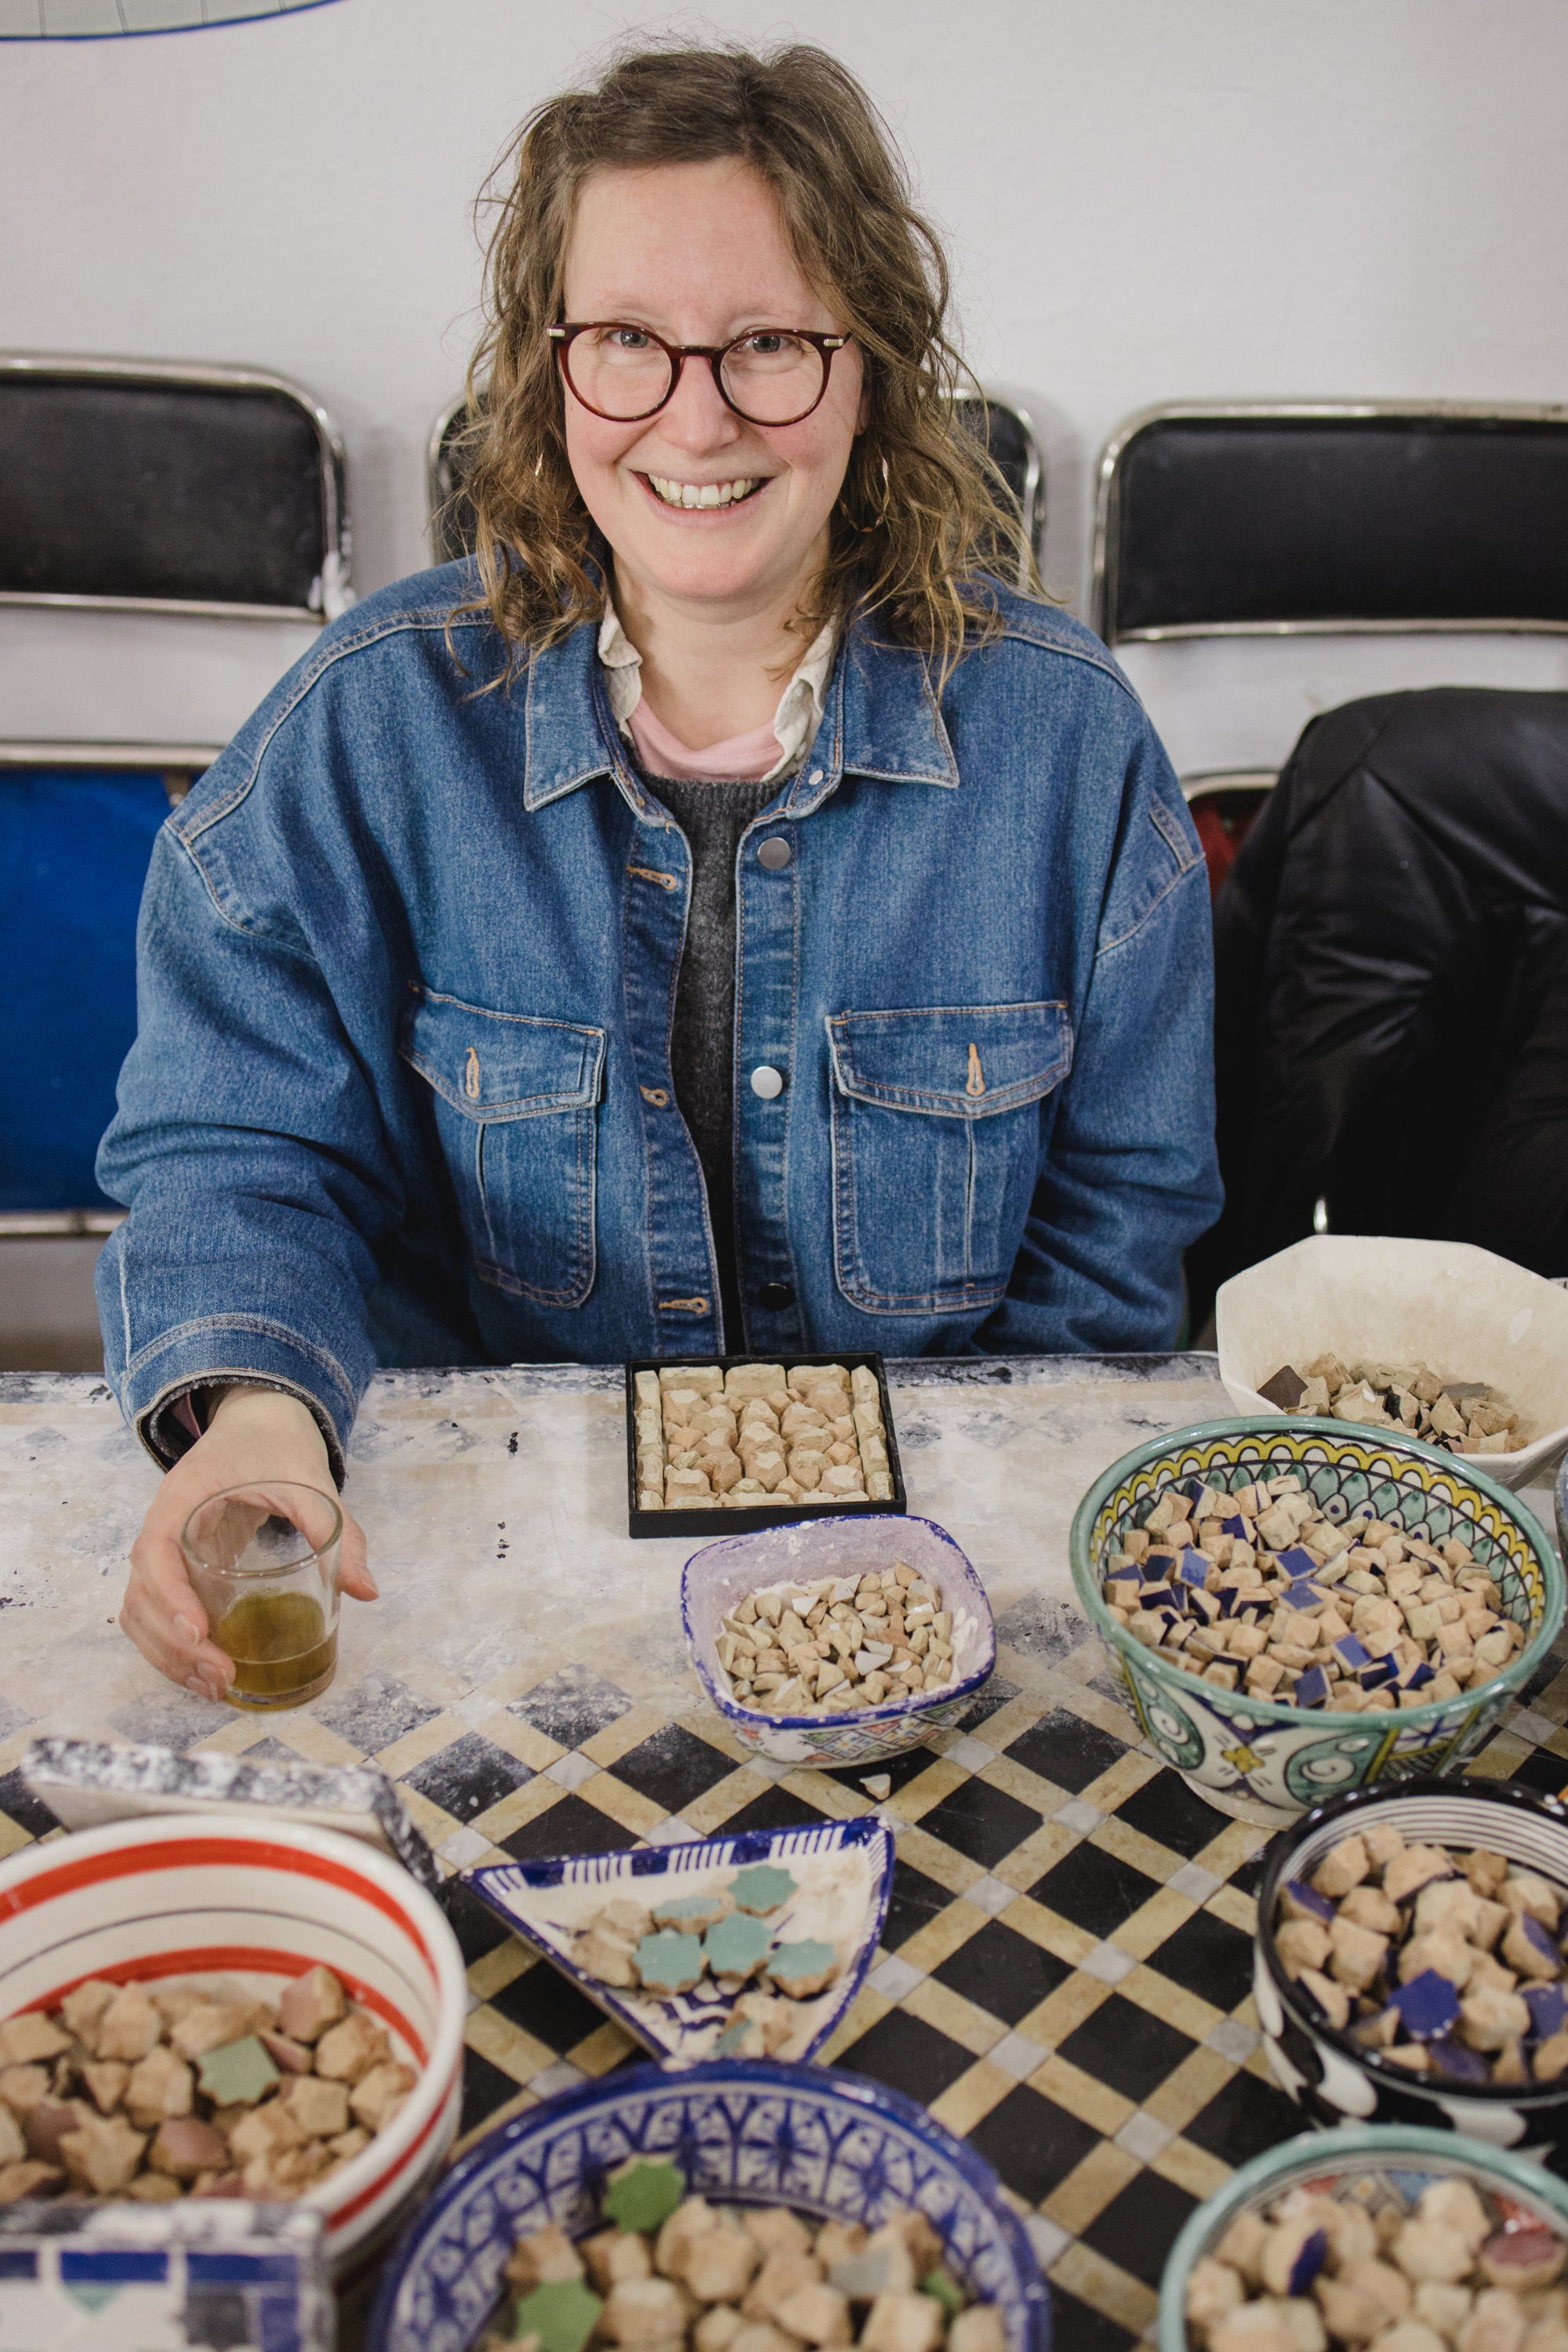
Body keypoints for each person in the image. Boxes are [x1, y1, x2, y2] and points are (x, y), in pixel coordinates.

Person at [98, 41, 1221, 1700]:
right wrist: (258, 1418)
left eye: (768, 343)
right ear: (549, 370)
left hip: (927, 1593)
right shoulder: (371, 725)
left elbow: (1120, 1229)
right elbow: (236, 1145)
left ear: (869, 371)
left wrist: (929, 1549)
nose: (695, 418)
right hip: (473, 1575)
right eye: (627, 341)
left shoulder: (1067, 749)